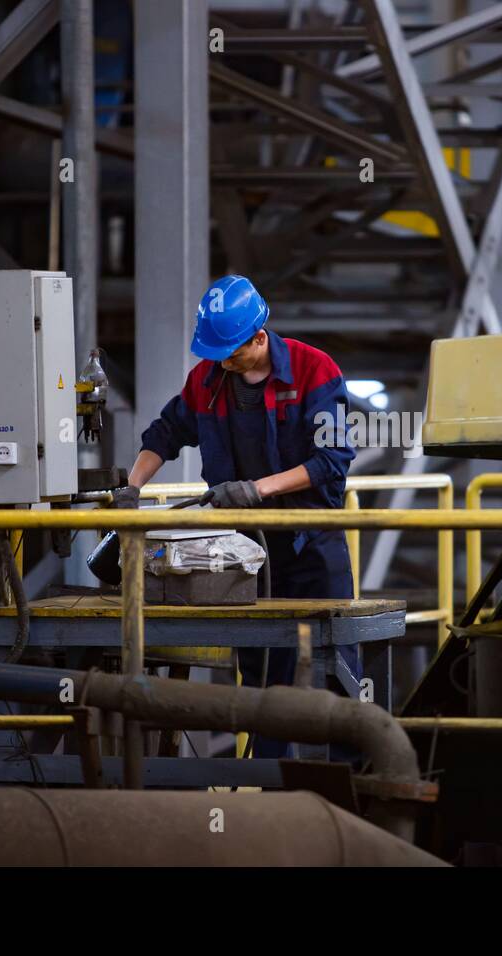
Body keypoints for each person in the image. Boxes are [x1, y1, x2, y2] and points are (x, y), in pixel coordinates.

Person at [126, 275, 356, 757]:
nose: (223, 363)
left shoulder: (314, 370)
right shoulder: (207, 380)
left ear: (259, 337)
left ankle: (349, 785)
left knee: (338, 674)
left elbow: (331, 460)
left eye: (231, 354)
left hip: (312, 548)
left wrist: (257, 488)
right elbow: (166, 433)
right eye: (216, 355)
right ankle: (269, 787)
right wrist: (131, 487)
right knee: (261, 681)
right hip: (243, 556)